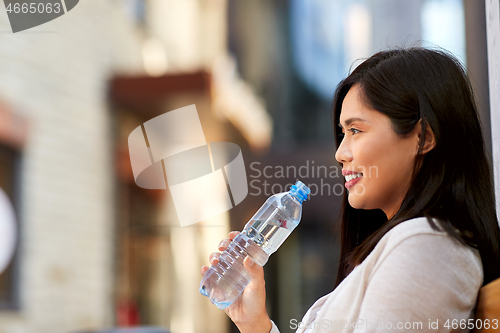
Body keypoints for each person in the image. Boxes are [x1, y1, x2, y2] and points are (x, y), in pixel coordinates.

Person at [200, 47, 500, 332]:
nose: (340, 153)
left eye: (356, 130)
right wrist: (256, 325)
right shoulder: (405, 245)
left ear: (422, 137)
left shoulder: (428, 246)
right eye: (343, 133)